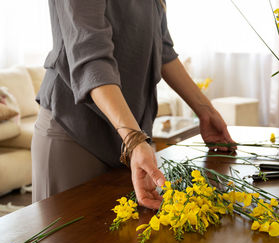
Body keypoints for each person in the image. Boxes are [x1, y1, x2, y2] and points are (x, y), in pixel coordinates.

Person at [32, 0, 235, 209]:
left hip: (127, 138)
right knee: (69, 240)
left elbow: (162, 48)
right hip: (76, 132)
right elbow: (91, 59)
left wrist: (206, 111)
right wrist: (134, 140)